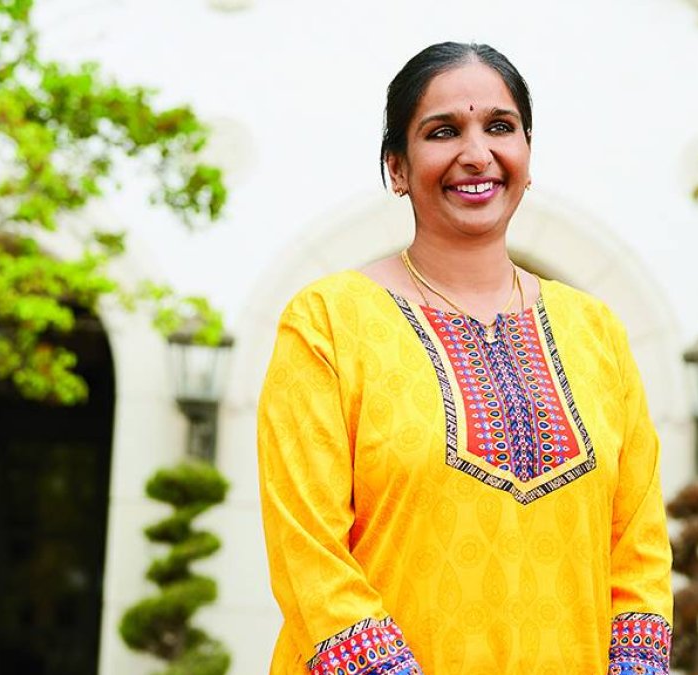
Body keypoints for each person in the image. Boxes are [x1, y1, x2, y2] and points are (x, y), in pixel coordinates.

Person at [257, 41, 672, 675]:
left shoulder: (597, 332)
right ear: (397, 168)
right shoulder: (328, 323)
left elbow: (639, 552)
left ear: (527, 156)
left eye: (499, 128)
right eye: (443, 131)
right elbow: (305, 550)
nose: (476, 154)